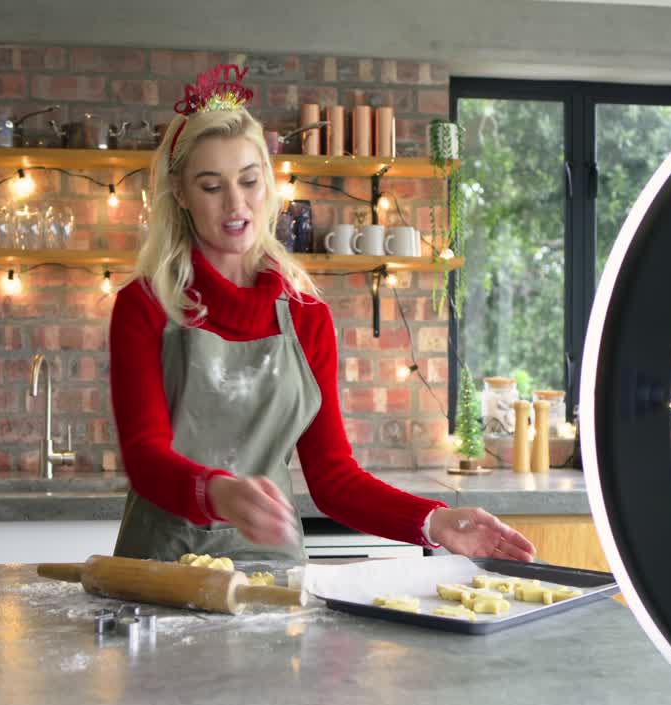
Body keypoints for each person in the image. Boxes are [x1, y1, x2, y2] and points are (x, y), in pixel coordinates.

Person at [109, 64, 536, 563]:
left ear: (267, 183)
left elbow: (333, 479)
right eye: (211, 186)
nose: (235, 203)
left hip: (271, 578)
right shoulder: (145, 305)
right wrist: (219, 493)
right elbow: (145, 458)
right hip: (160, 573)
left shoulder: (305, 315)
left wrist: (434, 521)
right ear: (180, 193)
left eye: (249, 181)